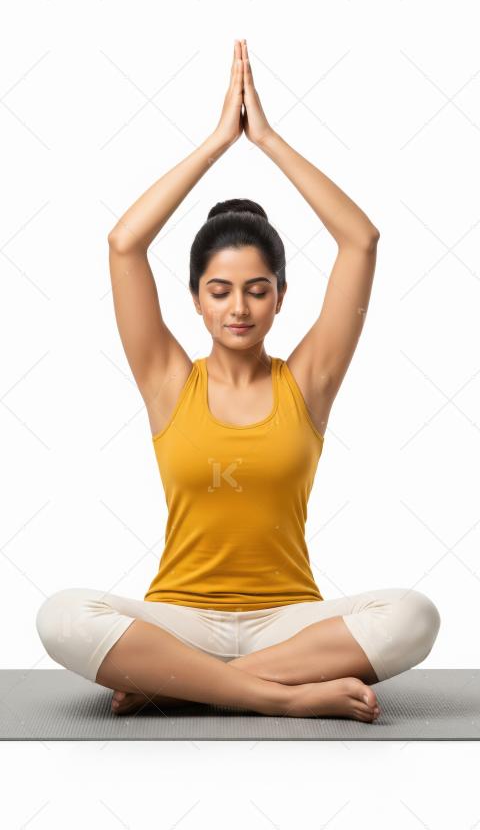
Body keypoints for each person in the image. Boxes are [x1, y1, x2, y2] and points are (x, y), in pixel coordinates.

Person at [36, 39, 441, 722]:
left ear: (281, 296)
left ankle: (180, 687)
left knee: (415, 616)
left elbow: (360, 241)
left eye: (257, 290)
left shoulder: (308, 380)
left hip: (289, 623)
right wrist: (218, 141)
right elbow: (124, 243)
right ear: (194, 297)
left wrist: (271, 140)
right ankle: (274, 697)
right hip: (177, 621)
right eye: (219, 290)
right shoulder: (167, 380)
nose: (239, 308)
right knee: (61, 616)